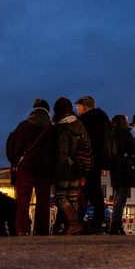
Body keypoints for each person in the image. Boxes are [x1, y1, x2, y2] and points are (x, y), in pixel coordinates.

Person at [6, 98, 54, 235]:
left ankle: (21, 229)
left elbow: (11, 145)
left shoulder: (23, 126)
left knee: (22, 200)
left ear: (33, 110)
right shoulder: (51, 129)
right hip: (45, 170)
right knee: (43, 201)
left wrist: (14, 162)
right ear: (47, 112)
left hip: (25, 169)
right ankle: (42, 230)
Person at [51, 97, 91, 235]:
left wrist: (56, 172)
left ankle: (74, 223)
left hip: (66, 167)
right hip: (79, 166)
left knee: (60, 196)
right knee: (73, 196)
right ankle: (73, 225)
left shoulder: (62, 126)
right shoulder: (79, 124)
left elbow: (62, 152)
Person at [75, 96, 113, 233]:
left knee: (90, 190)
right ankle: (92, 221)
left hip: (89, 158)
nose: (77, 109)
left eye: (78, 107)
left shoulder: (88, 120)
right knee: (92, 190)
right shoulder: (102, 117)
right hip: (98, 159)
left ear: (85, 107)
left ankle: (90, 222)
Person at [107, 115, 135, 234]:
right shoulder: (126, 134)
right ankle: (116, 224)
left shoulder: (110, 135)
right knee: (122, 199)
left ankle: (115, 224)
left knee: (117, 199)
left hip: (115, 170)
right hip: (125, 170)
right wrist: (128, 155)